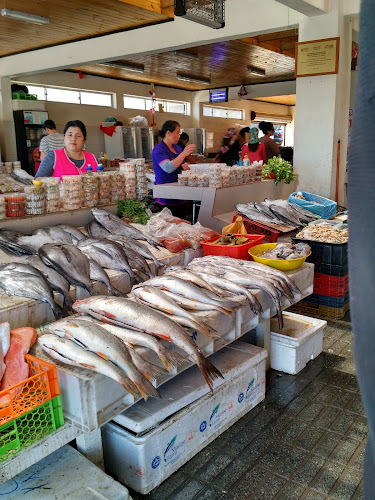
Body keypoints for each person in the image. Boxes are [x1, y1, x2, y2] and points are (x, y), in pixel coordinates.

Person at [151, 120, 195, 218]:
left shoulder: (177, 148)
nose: (179, 136)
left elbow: (181, 164)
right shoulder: (159, 149)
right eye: (177, 133)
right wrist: (184, 154)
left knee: (181, 222)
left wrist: (185, 168)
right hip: (166, 194)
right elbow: (168, 168)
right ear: (168, 133)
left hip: (179, 192)